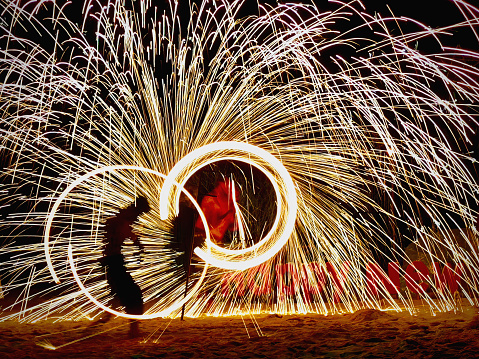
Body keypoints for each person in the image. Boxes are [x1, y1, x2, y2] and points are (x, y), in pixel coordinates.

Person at [99, 196, 150, 338]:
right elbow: (124, 232)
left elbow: (125, 233)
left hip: (113, 260)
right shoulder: (123, 220)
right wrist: (138, 245)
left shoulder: (122, 219)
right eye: (140, 213)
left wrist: (137, 245)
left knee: (125, 294)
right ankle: (132, 330)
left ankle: (111, 318)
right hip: (113, 261)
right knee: (133, 295)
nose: (139, 217)